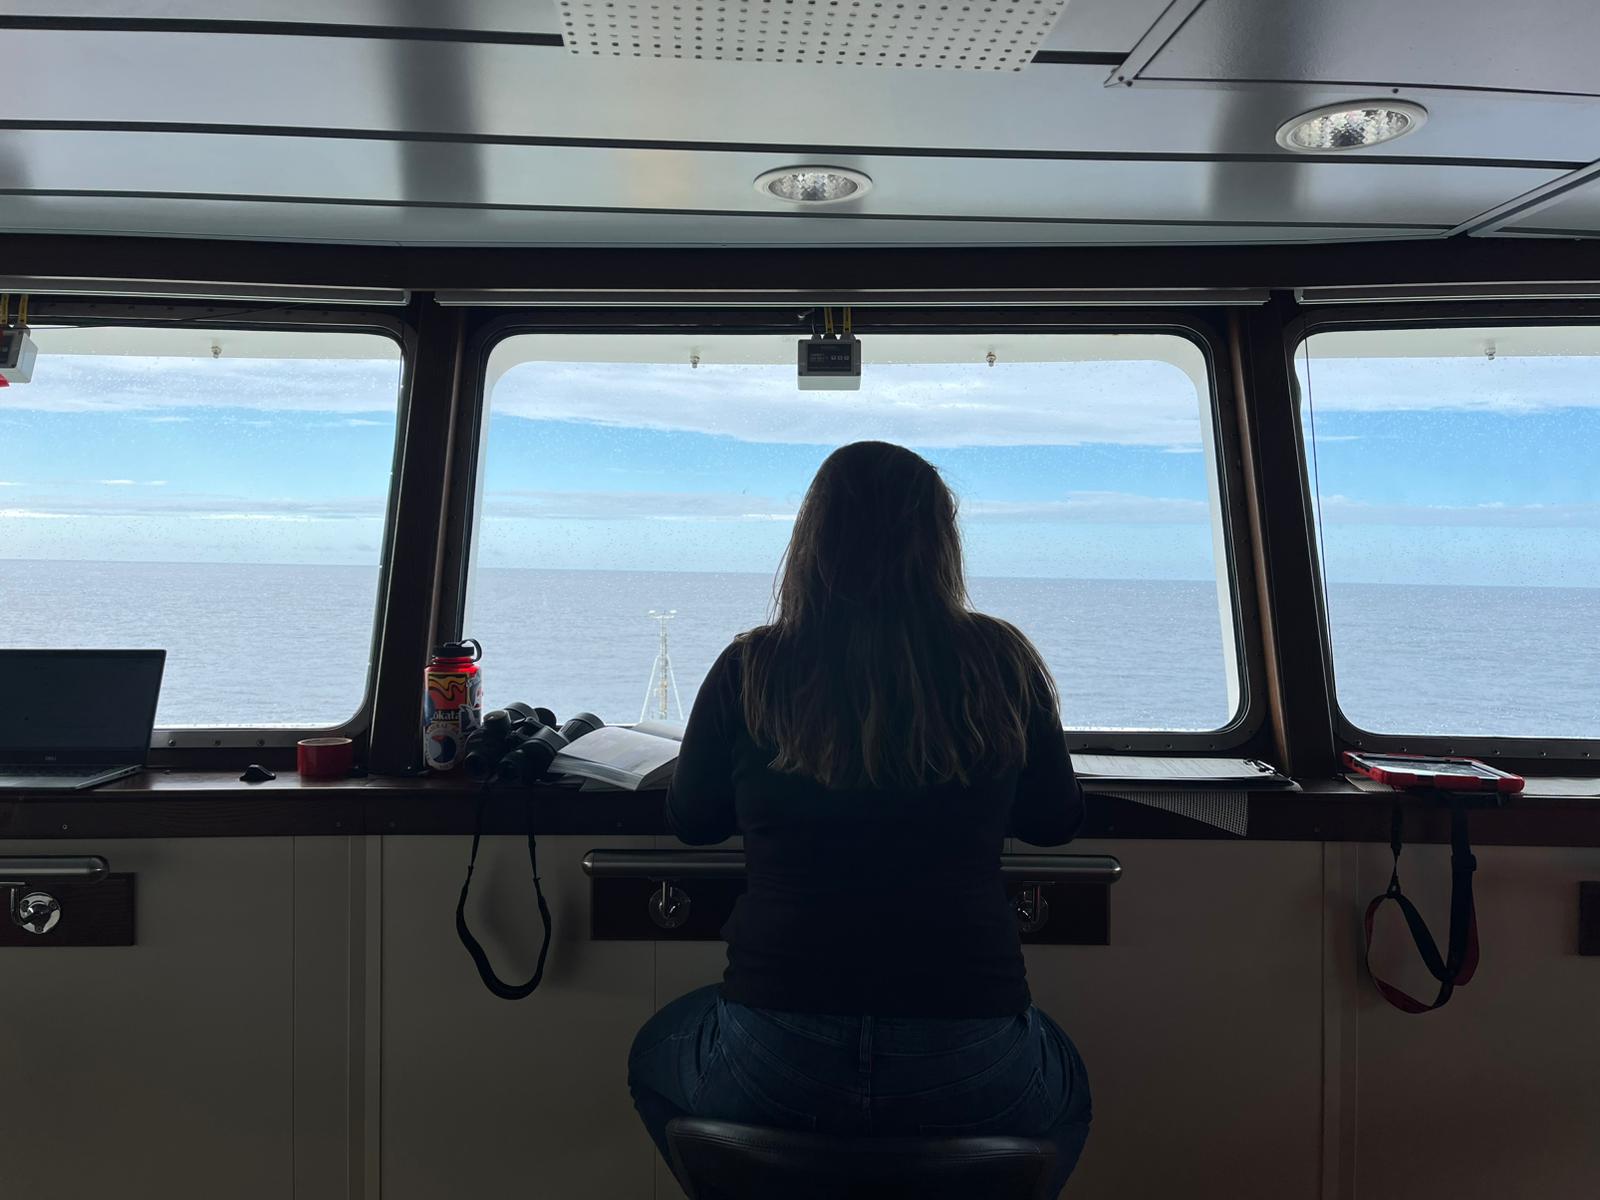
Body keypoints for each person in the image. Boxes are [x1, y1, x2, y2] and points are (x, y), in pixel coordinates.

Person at [627, 440, 1091, 1196]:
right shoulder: (1001, 664)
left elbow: (695, 820)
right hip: (969, 1053)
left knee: (657, 1051)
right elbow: (1052, 820)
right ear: (940, 543)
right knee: (1063, 1094)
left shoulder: (753, 668)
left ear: (812, 541)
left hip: (775, 1055)